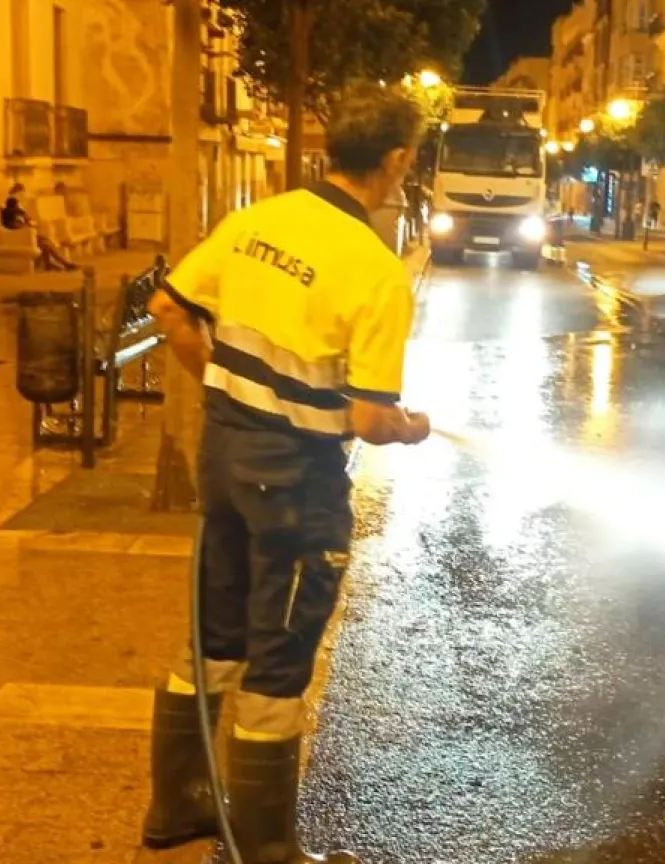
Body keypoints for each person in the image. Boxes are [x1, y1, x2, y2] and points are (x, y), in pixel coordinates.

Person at [142, 86, 431, 864]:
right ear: (396, 159)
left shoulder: (254, 222)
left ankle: (177, 802)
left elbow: (169, 309)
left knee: (214, 630)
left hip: (224, 457)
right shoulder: (374, 270)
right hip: (296, 485)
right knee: (280, 654)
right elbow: (369, 418)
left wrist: (225, 386)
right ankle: (265, 846)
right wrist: (408, 427)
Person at [0, 183, 76, 271]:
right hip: (21, 237)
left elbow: (23, 221)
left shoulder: (14, 209)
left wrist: (28, 222)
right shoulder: (12, 211)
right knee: (45, 243)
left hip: (25, 235)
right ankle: (62, 263)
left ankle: (53, 264)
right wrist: (27, 224)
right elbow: (16, 225)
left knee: (46, 242)